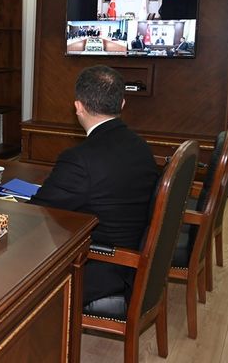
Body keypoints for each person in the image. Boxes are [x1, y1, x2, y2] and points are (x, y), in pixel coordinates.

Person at [29, 65, 159, 306]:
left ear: (78, 106)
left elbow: (36, 213)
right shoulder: (141, 146)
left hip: (104, 266)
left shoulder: (80, 159)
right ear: (122, 104)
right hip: (133, 257)